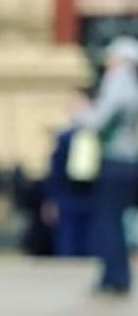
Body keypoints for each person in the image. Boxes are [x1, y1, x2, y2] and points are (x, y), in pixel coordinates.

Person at [83, 36, 138, 295]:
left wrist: (81, 112)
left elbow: (98, 121)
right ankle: (113, 274)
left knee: (109, 221)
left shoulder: (118, 83)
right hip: (132, 161)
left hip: (117, 160)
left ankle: (116, 277)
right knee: (118, 221)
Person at [42, 90, 95, 258]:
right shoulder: (65, 138)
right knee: (67, 247)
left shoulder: (99, 138)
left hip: (93, 199)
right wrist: (51, 200)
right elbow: (55, 173)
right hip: (68, 198)